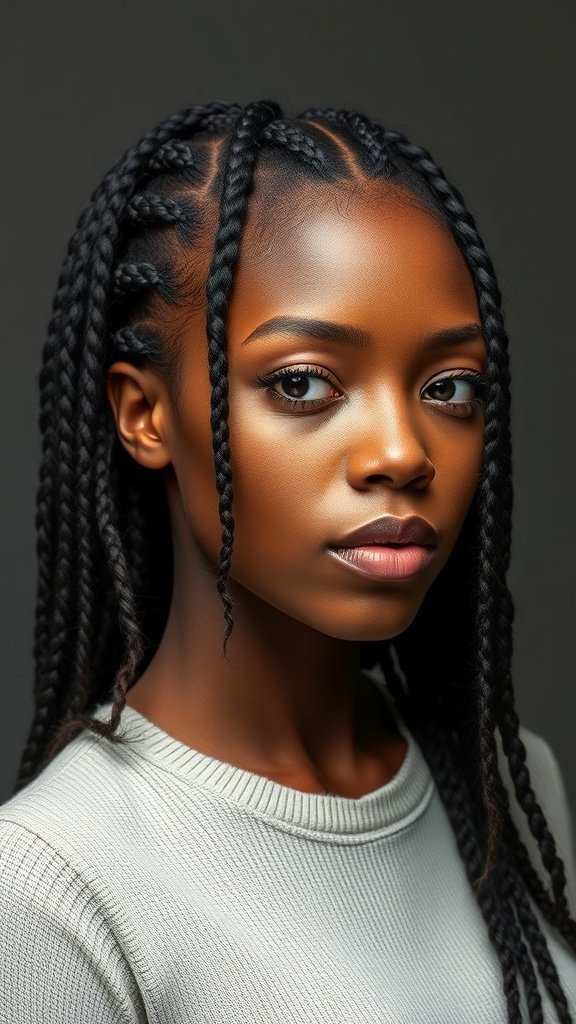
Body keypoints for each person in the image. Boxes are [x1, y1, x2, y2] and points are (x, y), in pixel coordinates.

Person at [0, 99, 574, 1023]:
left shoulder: (510, 783)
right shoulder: (54, 891)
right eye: (303, 383)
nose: (402, 451)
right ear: (145, 414)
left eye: (448, 387)